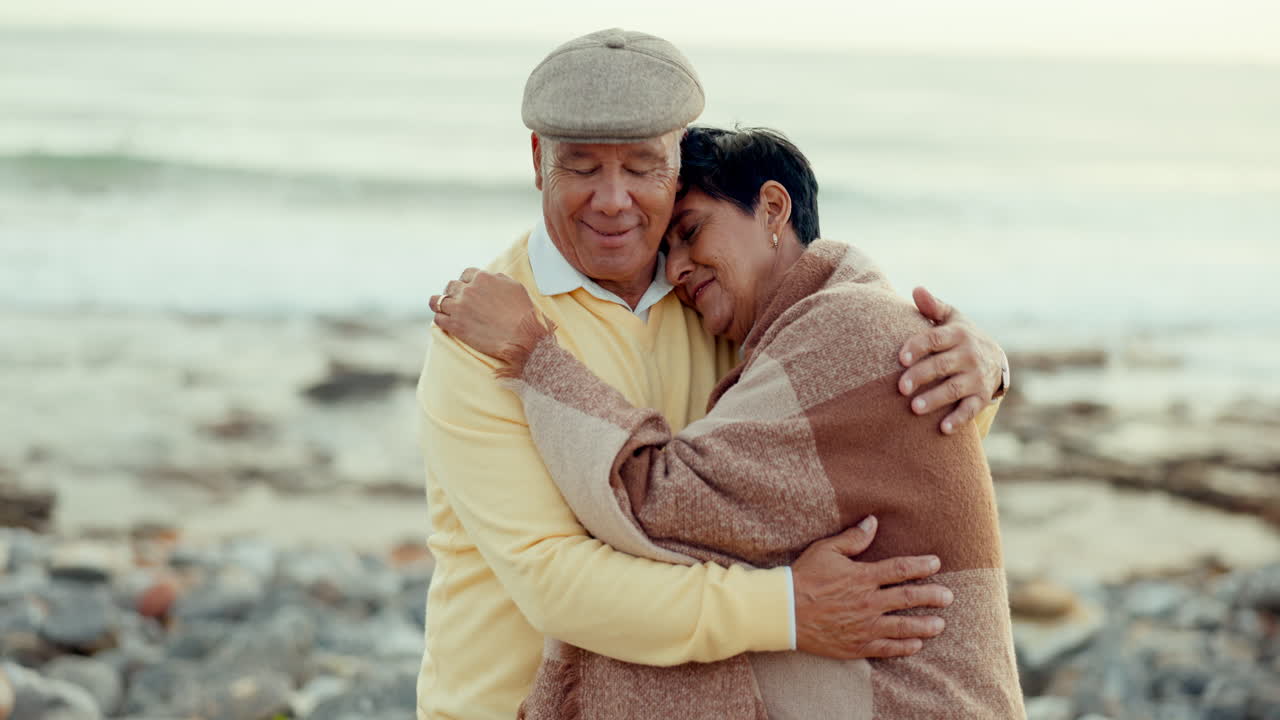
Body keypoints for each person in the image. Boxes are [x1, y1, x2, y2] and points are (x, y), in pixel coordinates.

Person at [417, 30, 1010, 720]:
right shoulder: (485, 332)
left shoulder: (721, 306)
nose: (613, 200)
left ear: (676, 161)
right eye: (581, 168)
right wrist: (788, 608)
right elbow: (554, 580)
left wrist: (981, 369)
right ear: (537, 160)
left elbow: (866, 435)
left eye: (642, 167)